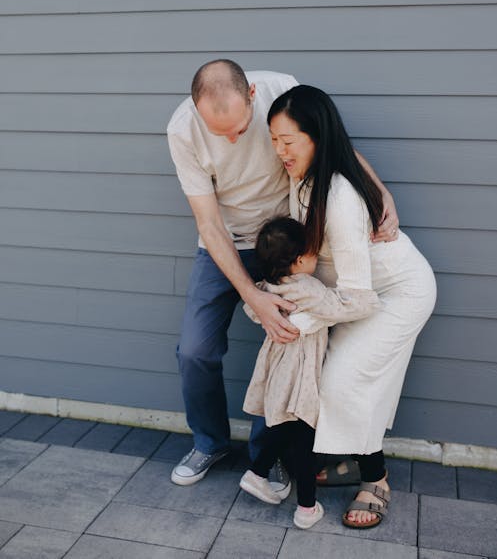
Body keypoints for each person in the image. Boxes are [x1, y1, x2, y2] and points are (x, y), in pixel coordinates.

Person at [166, 59, 400, 487]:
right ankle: (209, 442)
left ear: (253, 95)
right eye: (220, 133)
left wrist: (378, 190)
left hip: (289, 239)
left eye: (240, 128)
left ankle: (267, 455)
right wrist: (251, 294)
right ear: (196, 109)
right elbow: (208, 222)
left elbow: (331, 144)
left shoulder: (281, 89)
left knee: (286, 346)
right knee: (195, 351)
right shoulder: (182, 129)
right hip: (224, 241)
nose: (233, 139)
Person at [266, 85, 437, 529]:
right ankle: (349, 464)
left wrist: (303, 317)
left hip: (396, 293)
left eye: (288, 141)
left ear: (316, 137)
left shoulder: (340, 197)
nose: (279, 151)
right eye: (273, 141)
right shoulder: (302, 174)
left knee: (342, 382)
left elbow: (361, 299)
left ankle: (376, 478)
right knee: (325, 376)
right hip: (351, 296)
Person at [239, 216, 380, 529]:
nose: (318, 258)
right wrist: (370, 302)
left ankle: (258, 473)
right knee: (304, 440)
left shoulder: (269, 286)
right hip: (301, 375)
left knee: (280, 427)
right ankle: (305, 508)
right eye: (314, 253)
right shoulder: (308, 287)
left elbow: (251, 310)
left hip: (277, 369)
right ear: (301, 260)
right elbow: (337, 308)